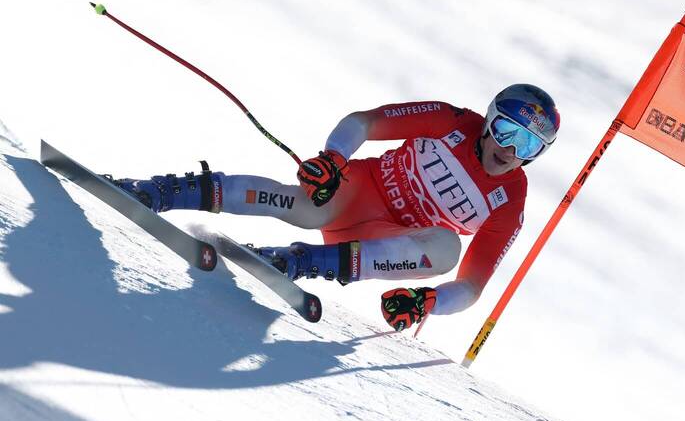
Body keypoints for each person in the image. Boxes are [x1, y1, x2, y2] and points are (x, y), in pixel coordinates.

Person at [116, 84, 560, 331]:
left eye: (528, 144)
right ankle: (164, 192)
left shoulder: (510, 203)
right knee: (304, 208)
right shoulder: (451, 121)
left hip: (379, 244)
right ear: (488, 119)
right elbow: (363, 123)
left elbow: (471, 288)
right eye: (505, 130)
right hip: (352, 194)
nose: (509, 149)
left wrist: (427, 302)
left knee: (446, 248)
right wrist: (333, 159)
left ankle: (298, 262)